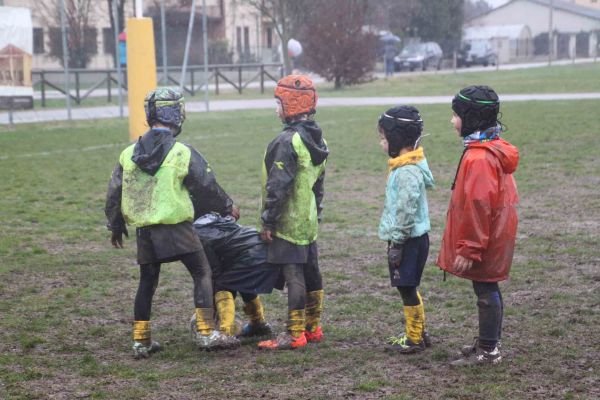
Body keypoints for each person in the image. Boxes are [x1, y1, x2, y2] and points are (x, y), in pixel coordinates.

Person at [105, 87, 240, 358]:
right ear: (176, 114)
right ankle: (205, 333)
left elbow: (115, 191)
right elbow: (206, 186)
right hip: (176, 227)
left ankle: (141, 341)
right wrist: (228, 207)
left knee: (147, 282)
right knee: (202, 273)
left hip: (146, 230)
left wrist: (115, 224)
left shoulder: (128, 153)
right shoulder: (182, 152)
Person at [437, 85, 519, 366]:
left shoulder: (480, 157)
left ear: (471, 118)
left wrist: (469, 249)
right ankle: (488, 342)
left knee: (486, 290)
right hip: (493, 234)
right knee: (487, 288)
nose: (452, 121)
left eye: (456, 115)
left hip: (486, 238)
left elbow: (478, 207)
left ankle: (489, 350)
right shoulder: (484, 149)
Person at [257, 74, 328, 350]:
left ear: (291, 104)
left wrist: (268, 220)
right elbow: (319, 185)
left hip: (288, 220)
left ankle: (294, 333)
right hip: (308, 219)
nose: (276, 110)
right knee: (312, 272)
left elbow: (278, 186)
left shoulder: (286, 142)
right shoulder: (318, 139)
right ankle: (313, 327)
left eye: (278, 103)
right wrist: (316, 213)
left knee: (293, 274)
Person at [376, 106, 435, 354]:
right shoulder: (409, 164)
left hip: (408, 240)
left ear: (396, 139)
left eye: (383, 137)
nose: (380, 142)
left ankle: (414, 338)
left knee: (406, 288)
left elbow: (406, 211)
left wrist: (397, 243)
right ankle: (419, 332)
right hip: (411, 239)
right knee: (408, 287)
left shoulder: (406, 172)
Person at [191, 213, 277, 341]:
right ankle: (258, 323)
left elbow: (215, 272)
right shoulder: (209, 221)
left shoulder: (197, 237)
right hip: (263, 249)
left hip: (251, 254)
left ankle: (225, 333)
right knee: (243, 284)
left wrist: (214, 306)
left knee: (222, 285)